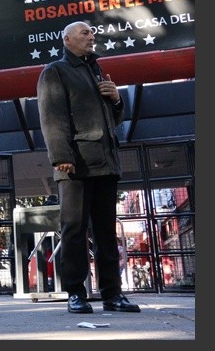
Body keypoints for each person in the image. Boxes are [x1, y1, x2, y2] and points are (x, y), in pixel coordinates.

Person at [36, 20, 140, 314]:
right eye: (85, 33)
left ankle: (112, 295)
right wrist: (60, 156)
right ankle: (75, 293)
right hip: (75, 164)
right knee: (74, 229)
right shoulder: (55, 71)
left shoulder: (97, 72)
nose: (92, 36)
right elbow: (52, 117)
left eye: (93, 33)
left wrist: (117, 99)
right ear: (67, 39)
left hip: (106, 163)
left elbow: (114, 120)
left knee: (106, 231)